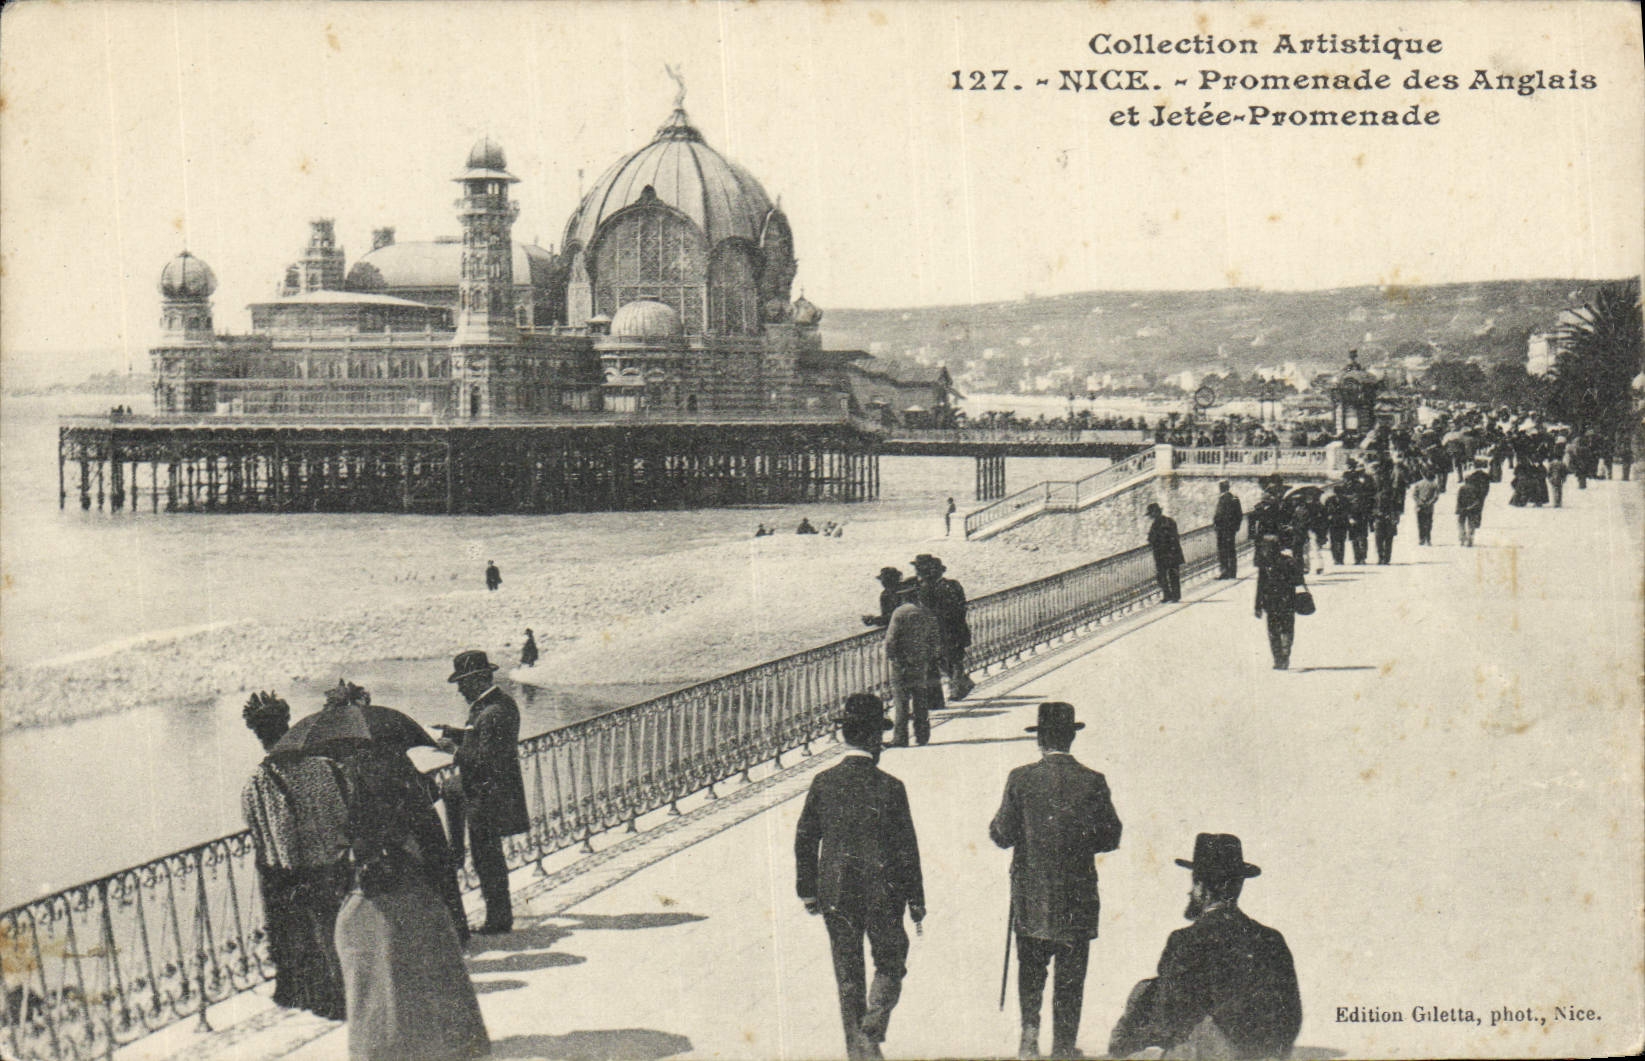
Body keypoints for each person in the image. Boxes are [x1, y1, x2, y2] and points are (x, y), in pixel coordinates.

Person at [333, 741, 490, 1060]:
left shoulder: (367, 799)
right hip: (398, 903)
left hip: (388, 904)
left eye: (369, 765)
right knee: (401, 984)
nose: (365, 771)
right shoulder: (403, 795)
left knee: (391, 986)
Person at [795, 694, 925, 1061]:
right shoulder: (891, 786)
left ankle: (858, 1052)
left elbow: (805, 838)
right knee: (891, 960)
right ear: (873, 740)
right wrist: (916, 899)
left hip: (834, 890)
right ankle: (873, 1028)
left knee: (847, 972)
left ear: (846, 737)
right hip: (884, 891)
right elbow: (907, 849)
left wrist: (807, 890)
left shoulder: (824, 782)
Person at [990, 702, 1123, 1060]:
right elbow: (1111, 836)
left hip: (1032, 895)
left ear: (1040, 740)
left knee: (1031, 970)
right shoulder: (1093, 781)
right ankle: (1063, 1048)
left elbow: (1002, 834)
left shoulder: (1020, 778)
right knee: (1070, 979)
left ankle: (1029, 1038)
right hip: (1077, 897)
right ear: (1070, 738)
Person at [1107, 834, 1301, 1061]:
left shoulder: (1185, 939)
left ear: (1203, 887)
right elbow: (1290, 1017)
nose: (1189, 892)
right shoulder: (1271, 939)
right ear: (1237, 886)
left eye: (1193, 883)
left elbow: (1170, 1017)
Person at [240, 692, 350, 1021]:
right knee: (341, 932)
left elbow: (275, 835)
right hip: (339, 862)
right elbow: (344, 811)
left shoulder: (261, 781)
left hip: (298, 873)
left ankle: (329, 998)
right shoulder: (324, 766)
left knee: (313, 939)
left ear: (259, 734)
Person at [437, 651, 528, 934]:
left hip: (489, 798)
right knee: (486, 856)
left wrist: (454, 751)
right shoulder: (491, 706)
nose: (460, 690)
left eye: (463, 683)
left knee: (488, 859)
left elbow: (487, 760)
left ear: (478, 679)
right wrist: (454, 732)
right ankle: (497, 915)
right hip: (486, 796)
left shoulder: (494, 712)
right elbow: (480, 739)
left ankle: (498, 920)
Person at [884, 585, 943, 747]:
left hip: (901, 663)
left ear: (904, 596)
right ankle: (922, 735)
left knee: (901, 701)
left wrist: (892, 657)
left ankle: (900, 737)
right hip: (920, 662)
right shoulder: (926, 612)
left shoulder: (900, 612)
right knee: (920, 698)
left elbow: (891, 639)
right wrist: (927, 657)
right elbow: (935, 639)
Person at [912, 554, 973, 700]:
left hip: (944, 630)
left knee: (948, 659)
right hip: (955, 628)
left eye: (920, 570)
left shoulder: (928, 589)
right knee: (951, 659)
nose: (918, 573)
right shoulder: (952, 584)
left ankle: (958, 688)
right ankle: (961, 685)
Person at [1253, 535, 1305, 670]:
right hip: (1287, 601)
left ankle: (1278, 658)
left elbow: (1260, 586)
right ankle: (1285, 652)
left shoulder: (1265, 565)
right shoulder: (1288, 561)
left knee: (1273, 631)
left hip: (1271, 603)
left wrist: (1258, 606)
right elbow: (1298, 581)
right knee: (1287, 628)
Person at [1145, 503, 1184, 603]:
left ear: (1155, 513)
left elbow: (1152, 539)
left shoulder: (1155, 525)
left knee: (1162, 576)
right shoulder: (1170, 521)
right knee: (1173, 575)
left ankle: (1168, 595)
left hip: (1162, 554)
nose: (1151, 517)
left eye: (1151, 514)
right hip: (1173, 552)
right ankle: (1175, 596)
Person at [1212, 481, 1243, 579]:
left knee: (1223, 551)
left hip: (1222, 529)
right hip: (1231, 529)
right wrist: (1236, 527)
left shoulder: (1223, 499)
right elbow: (1239, 514)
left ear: (1221, 488)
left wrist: (1216, 525)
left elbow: (1219, 515)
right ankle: (1232, 573)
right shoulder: (1234, 498)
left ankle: (1224, 572)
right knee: (1231, 550)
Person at [1455, 469, 1489, 547]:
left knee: (1461, 523)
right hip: (1472, 508)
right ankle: (1470, 539)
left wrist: (1458, 508)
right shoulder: (1476, 489)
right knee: (1471, 524)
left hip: (1462, 508)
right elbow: (1478, 499)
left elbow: (1459, 499)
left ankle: (1462, 538)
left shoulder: (1462, 488)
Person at [1322, 487, 1350, 566]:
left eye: (1340, 493)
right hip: (1333, 523)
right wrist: (1328, 517)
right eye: (1337, 493)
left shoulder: (1345, 500)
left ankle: (1340, 559)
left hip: (1342, 523)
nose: (1338, 495)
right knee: (1334, 541)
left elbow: (1348, 510)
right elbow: (1325, 511)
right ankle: (1335, 558)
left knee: (1341, 541)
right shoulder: (1329, 500)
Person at [1411, 471, 1439, 546]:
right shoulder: (1434, 484)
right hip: (1429, 507)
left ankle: (1421, 539)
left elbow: (1414, 495)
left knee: (1420, 523)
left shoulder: (1418, 484)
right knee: (1429, 523)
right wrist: (1430, 502)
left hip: (1419, 507)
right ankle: (1428, 539)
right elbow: (1436, 496)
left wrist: (1419, 502)